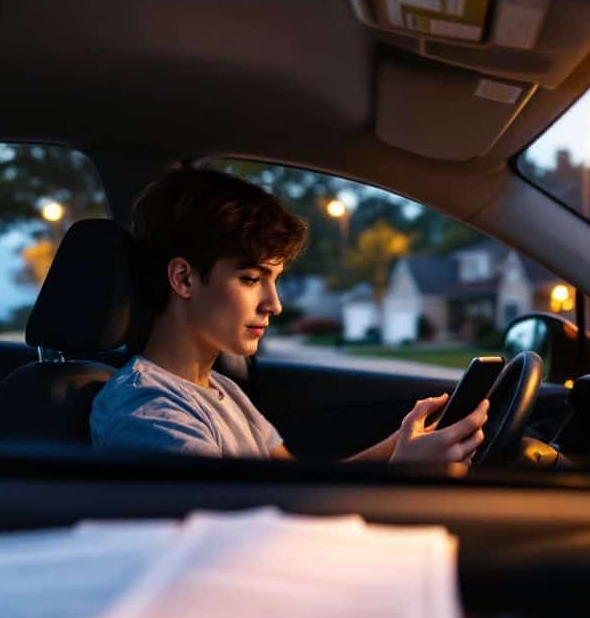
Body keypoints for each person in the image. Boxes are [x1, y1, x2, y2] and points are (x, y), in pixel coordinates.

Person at [90, 167, 488, 468]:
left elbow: (293, 489)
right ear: (184, 278)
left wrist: (403, 445)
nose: (274, 304)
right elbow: (245, 540)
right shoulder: (147, 410)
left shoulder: (223, 391)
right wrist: (405, 470)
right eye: (250, 279)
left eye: (275, 280)